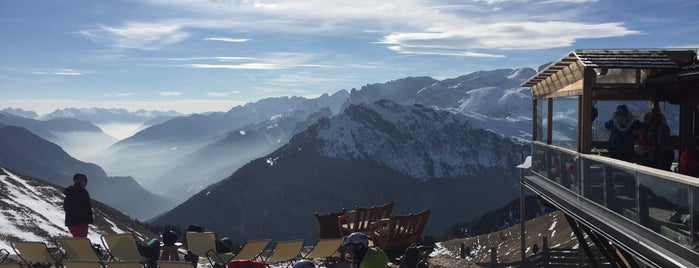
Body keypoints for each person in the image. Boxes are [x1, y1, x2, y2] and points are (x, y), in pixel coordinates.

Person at [63, 173, 93, 237]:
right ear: (79, 181)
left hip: (70, 222)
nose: (86, 182)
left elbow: (66, 206)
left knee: (77, 239)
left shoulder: (70, 191)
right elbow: (85, 207)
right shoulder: (82, 192)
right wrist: (85, 217)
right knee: (81, 240)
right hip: (80, 222)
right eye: (84, 180)